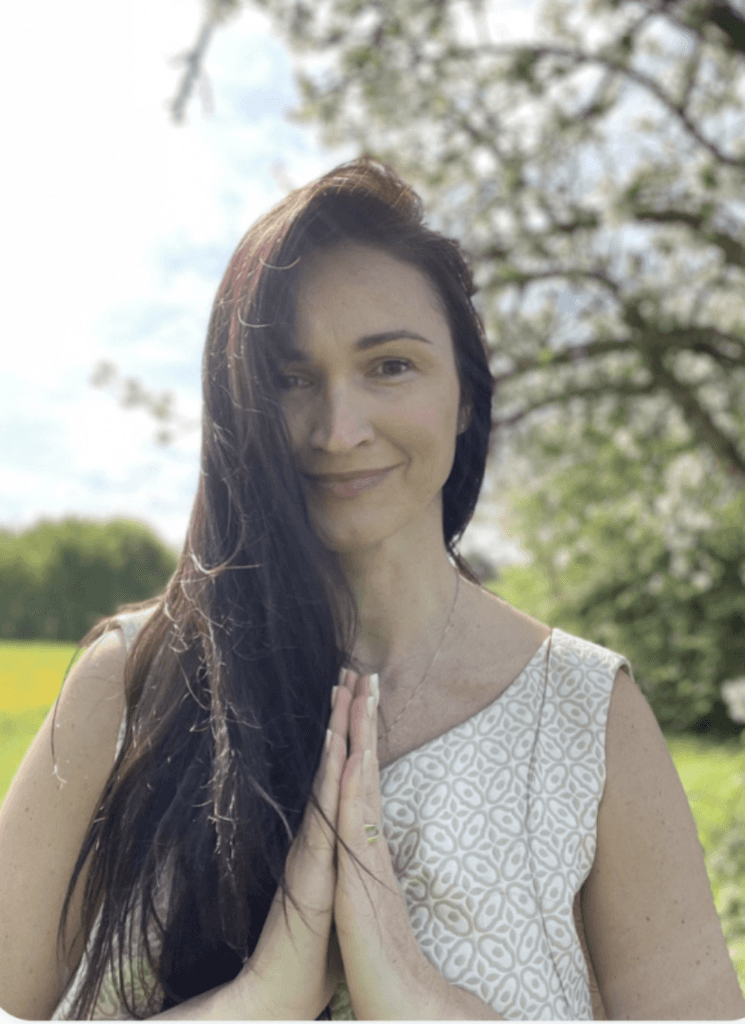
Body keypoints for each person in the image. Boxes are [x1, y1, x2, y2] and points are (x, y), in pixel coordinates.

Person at [0, 158, 743, 1022]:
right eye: (289, 378)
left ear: (465, 396)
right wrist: (255, 1004)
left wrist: (425, 1000)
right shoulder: (129, 687)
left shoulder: (587, 716)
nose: (338, 429)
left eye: (390, 366)